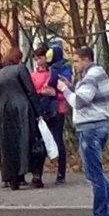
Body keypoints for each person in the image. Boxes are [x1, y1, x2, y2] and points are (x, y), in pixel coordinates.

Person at [57, 46, 109, 216]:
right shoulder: (94, 75)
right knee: (95, 171)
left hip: (90, 128)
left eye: (77, 61)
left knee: (93, 174)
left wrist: (65, 90)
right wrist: (72, 86)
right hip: (96, 126)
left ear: (86, 59)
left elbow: (79, 102)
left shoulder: (92, 76)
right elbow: (86, 95)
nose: (75, 65)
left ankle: (100, 215)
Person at [0, 47, 44, 190]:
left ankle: (13, 178)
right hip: (23, 109)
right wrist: (38, 111)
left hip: (5, 113)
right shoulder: (20, 69)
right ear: (18, 58)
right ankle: (36, 176)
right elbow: (30, 91)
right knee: (31, 141)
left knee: (10, 145)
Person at [30, 41, 72, 185]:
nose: (38, 62)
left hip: (57, 109)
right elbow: (32, 93)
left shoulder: (57, 70)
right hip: (41, 110)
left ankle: (61, 173)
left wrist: (55, 94)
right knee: (40, 142)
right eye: (36, 59)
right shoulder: (33, 75)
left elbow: (65, 91)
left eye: (40, 58)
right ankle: (37, 175)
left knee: (58, 139)